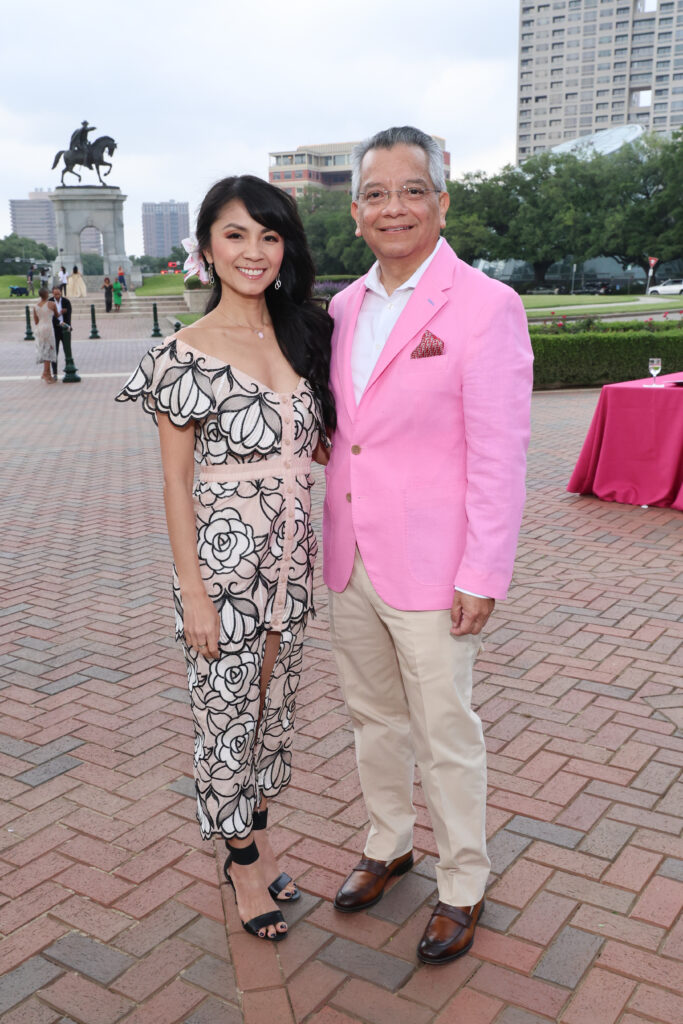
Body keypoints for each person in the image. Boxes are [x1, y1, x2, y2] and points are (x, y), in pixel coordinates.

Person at [324, 126, 533, 965]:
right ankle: (387, 841)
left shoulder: (485, 305)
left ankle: (462, 883)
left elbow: (499, 454)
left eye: (412, 190)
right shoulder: (341, 307)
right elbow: (347, 431)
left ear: (442, 202)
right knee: (372, 717)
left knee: (445, 731)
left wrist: (482, 569)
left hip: (436, 568)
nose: (394, 208)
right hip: (350, 558)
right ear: (355, 212)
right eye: (377, 194)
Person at [116, 175, 334, 943]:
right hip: (223, 570)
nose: (254, 252)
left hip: (292, 570)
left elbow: (324, 443)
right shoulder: (180, 355)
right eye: (236, 235)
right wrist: (195, 593)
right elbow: (175, 483)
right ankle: (241, 860)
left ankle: (259, 831)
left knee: (273, 715)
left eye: (269, 236)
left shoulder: (304, 333)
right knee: (225, 717)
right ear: (206, 247)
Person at [33, 288, 58, 383]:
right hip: (48, 328)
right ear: (47, 294)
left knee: (44, 350)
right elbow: (56, 315)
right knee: (49, 350)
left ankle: (49, 375)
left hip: (39, 329)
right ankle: (45, 373)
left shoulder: (36, 307)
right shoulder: (51, 304)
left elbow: (36, 321)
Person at [51, 285, 72, 379]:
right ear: (53, 293)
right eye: (55, 294)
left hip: (65, 329)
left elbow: (69, 314)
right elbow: (50, 317)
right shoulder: (50, 302)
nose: (57, 296)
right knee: (54, 351)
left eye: (58, 294)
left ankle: (69, 369)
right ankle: (55, 373)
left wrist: (67, 325)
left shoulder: (66, 301)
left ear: (61, 293)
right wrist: (60, 322)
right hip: (55, 329)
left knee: (67, 350)